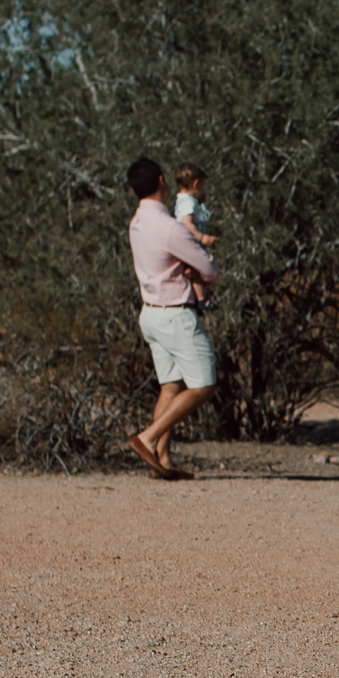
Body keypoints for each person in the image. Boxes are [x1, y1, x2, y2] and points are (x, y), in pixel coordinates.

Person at [124, 156, 219, 481]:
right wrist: (202, 272)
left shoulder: (137, 223)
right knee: (204, 384)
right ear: (162, 182)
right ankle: (149, 438)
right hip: (175, 315)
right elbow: (209, 269)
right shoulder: (169, 228)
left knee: (171, 386)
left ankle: (161, 460)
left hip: (150, 314)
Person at [171, 163, 217, 308]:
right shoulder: (188, 203)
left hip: (186, 243)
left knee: (195, 271)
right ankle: (201, 299)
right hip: (190, 243)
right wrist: (201, 237)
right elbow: (187, 223)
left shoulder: (183, 201)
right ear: (196, 184)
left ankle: (199, 298)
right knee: (197, 271)